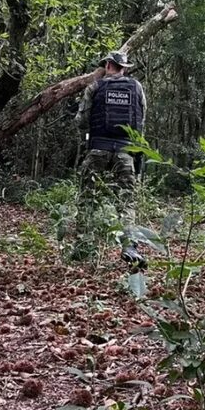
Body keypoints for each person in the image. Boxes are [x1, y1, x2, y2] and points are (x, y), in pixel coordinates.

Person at [75, 51, 148, 269]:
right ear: (124, 67)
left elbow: (81, 121)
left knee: (87, 196)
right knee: (126, 201)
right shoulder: (136, 87)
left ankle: (83, 246)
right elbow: (141, 122)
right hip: (126, 153)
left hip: (97, 150)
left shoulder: (94, 87)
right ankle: (129, 247)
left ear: (107, 65)